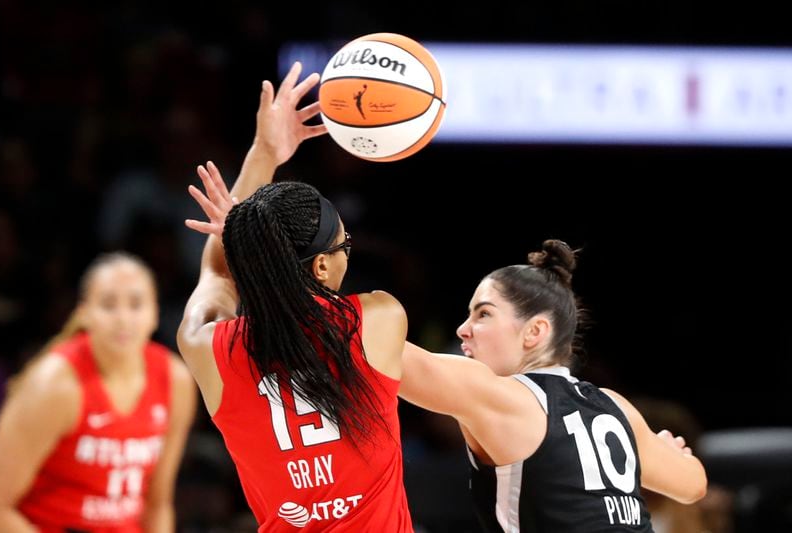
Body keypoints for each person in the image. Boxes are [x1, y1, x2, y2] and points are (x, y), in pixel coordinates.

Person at [177, 62, 413, 531]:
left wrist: (264, 153)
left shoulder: (209, 348)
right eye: (345, 245)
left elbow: (217, 275)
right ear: (324, 265)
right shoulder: (379, 318)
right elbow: (223, 271)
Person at [399, 240, 708, 532]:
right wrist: (674, 455)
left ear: (534, 331)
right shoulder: (616, 406)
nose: (463, 329)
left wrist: (368, 296)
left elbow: (377, 353)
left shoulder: (504, 396)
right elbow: (693, 484)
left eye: (483, 314)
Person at [0, 252, 197, 532]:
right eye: (108, 305)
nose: (123, 319)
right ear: (84, 313)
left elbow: (158, 503)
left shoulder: (176, 380)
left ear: (155, 314)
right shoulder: (53, 386)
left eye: (136, 304)